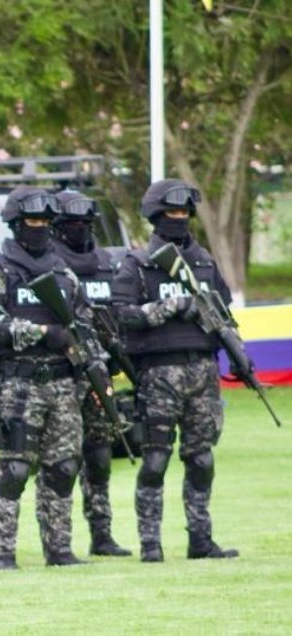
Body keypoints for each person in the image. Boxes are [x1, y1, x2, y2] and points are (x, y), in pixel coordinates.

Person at [0, 186, 99, 570]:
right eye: (32, 222)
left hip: (62, 383)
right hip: (19, 383)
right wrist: (41, 334)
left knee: (63, 468)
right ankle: (3, 551)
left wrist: (94, 370)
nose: (39, 229)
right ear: (17, 225)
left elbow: (84, 324)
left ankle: (59, 548)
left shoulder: (63, 272)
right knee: (15, 469)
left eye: (44, 223)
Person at [111, 179, 238, 562]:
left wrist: (240, 356)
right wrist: (169, 308)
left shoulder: (204, 262)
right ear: (155, 216)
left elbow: (225, 315)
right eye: (171, 213)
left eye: (184, 213)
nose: (179, 219)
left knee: (201, 458)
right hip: (158, 373)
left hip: (201, 370)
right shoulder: (137, 263)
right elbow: (122, 316)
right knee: (156, 459)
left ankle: (201, 539)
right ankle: (151, 543)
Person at [50, 191, 132, 557]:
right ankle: (56, 538)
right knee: (61, 459)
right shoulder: (50, 265)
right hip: (63, 372)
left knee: (99, 455)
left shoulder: (104, 263)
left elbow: (117, 314)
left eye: (86, 223)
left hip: (101, 367)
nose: (80, 230)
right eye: (72, 224)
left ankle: (102, 534)